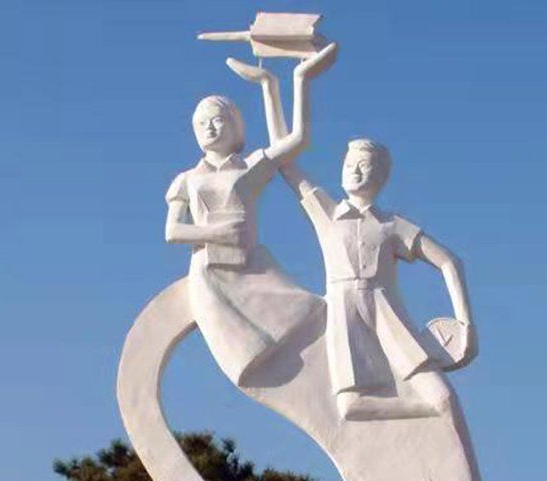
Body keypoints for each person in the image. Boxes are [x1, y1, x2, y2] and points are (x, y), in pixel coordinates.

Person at [227, 61, 478, 420]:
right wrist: (271, 86)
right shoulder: (327, 213)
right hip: (344, 312)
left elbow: (449, 261)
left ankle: (431, 417)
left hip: (387, 313)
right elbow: (285, 161)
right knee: (350, 405)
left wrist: (466, 325)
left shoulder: (392, 225)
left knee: (444, 397)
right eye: (349, 164)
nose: (355, 171)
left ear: (381, 174)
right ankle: (421, 418)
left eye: (364, 165)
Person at [164, 43, 337, 385]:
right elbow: (173, 231)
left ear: (235, 125)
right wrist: (217, 233)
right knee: (247, 349)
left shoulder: (249, 167)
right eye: (201, 123)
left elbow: (296, 140)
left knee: (309, 313)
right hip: (210, 272)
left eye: (217, 120)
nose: (210, 128)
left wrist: (277, 84)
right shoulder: (186, 179)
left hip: (250, 268)